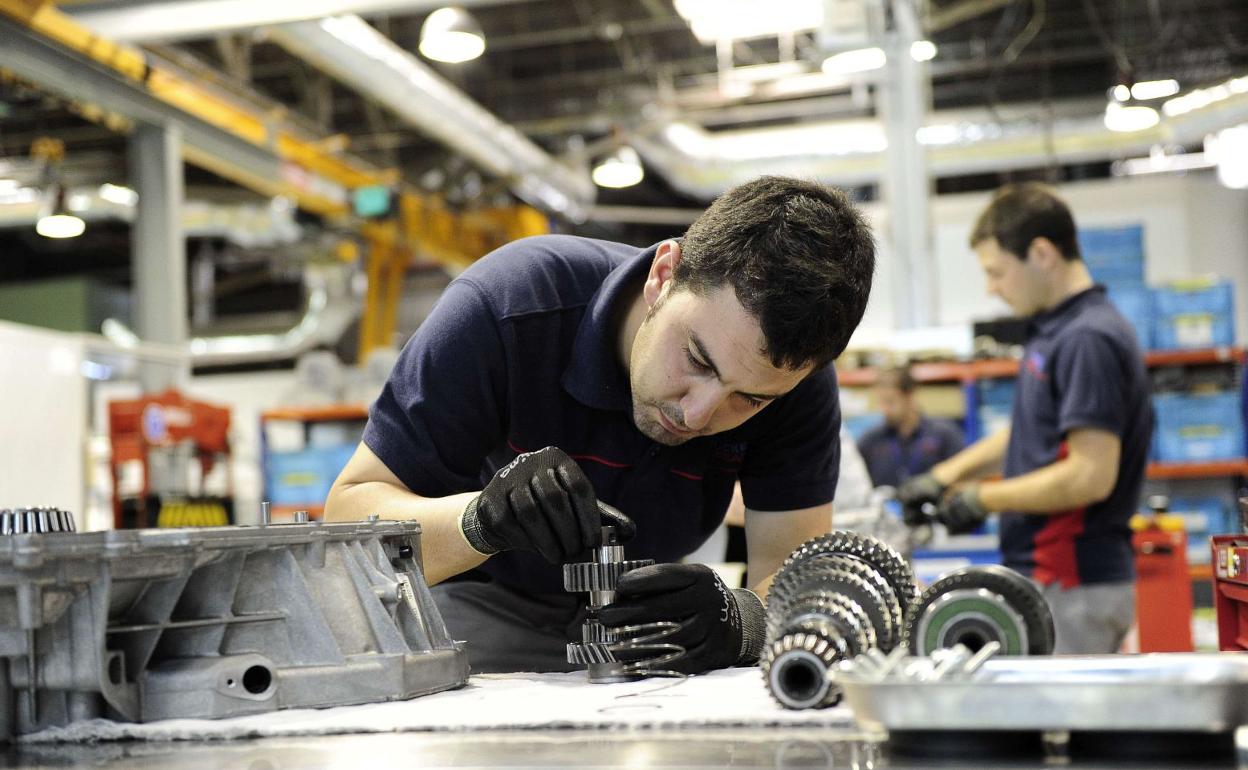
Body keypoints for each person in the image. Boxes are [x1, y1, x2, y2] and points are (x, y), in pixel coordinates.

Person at [325, 176, 876, 674]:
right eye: (698, 361)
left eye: (750, 400)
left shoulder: (796, 386)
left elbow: (791, 572)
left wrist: (743, 620)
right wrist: (481, 521)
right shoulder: (508, 306)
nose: (698, 413)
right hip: (475, 611)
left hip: (642, 631)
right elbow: (348, 524)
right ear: (664, 275)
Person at [898, 183, 1152, 655]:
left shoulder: (1087, 339)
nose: (992, 289)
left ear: (1041, 253)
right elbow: (1028, 429)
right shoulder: (1055, 331)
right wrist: (942, 476)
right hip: (1048, 578)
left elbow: (1091, 475)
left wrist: (982, 498)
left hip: (1071, 582)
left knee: (1060, 726)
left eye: (997, 273)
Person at [856, 366, 964, 488]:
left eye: (890, 402)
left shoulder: (945, 435)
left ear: (910, 396)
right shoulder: (870, 441)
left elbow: (961, 477)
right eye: (881, 402)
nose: (885, 410)